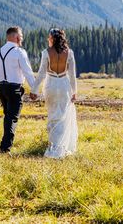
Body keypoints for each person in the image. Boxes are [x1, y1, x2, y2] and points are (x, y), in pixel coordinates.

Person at [30, 28, 78, 159]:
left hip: (50, 85)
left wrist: (34, 90)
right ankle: (60, 148)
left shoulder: (46, 52)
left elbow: (41, 74)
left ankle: (53, 147)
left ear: (52, 38)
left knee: (52, 115)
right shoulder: (69, 53)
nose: (47, 39)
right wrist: (74, 92)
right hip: (64, 85)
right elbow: (72, 75)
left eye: (48, 37)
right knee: (62, 116)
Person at [0, 26, 35, 154]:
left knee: (8, 118)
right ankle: (4, 150)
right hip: (14, 89)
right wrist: (34, 89)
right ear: (16, 37)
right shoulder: (19, 52)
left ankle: (4, 147)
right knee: (12, 119)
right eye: (21, 35)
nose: (22, 38)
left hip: (1, 88)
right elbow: (28, 72)